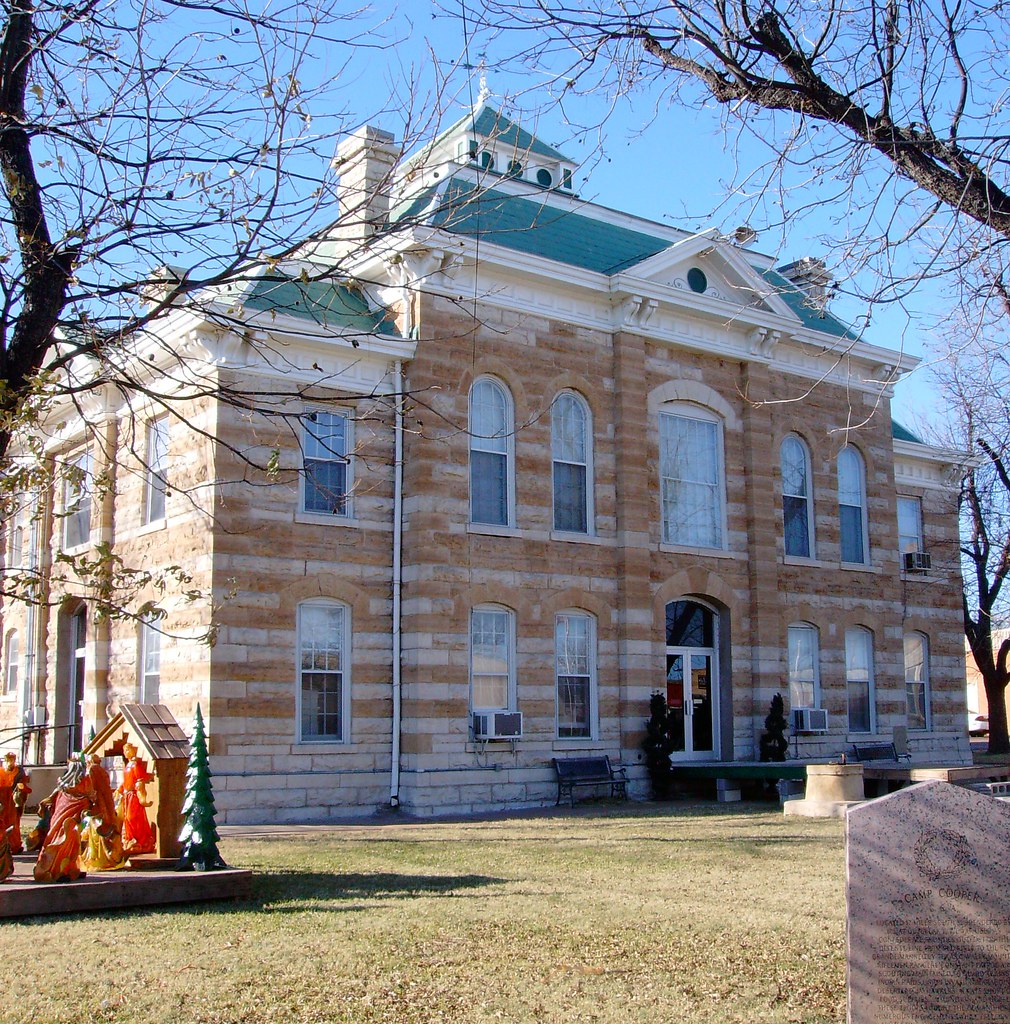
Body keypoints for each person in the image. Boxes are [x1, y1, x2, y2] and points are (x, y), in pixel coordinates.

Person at [33, 755, 116, 883]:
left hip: (63, 817)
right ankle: (59, 870)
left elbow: (55, 795)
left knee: (65, 840)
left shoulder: (64, 784)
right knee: (68, 841)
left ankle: (69, 869)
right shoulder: (84, 782)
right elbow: (92, 796)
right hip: (70, 820)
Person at [117, 741, 156, 856]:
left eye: (128, 750)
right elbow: (125, 781)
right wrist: (119, 789)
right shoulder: (128, 766)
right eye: (124, 751)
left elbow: (140, 778)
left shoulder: (135, 765)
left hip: (134, 795)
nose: (126, 752)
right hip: (126, 795)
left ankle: (142, 840)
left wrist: (140, 785)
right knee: (127, 819)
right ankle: (131, 839)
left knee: (133, 817)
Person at [0, 752, 30, 854]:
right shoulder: (1, 771)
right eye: (8, 760)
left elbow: (23, 783)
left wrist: (21, 788)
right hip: (2, 800)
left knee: (13, 822)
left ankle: (14, 845)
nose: (10, 762)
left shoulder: (19, 771)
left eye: (12, 759)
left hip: (12, 801)